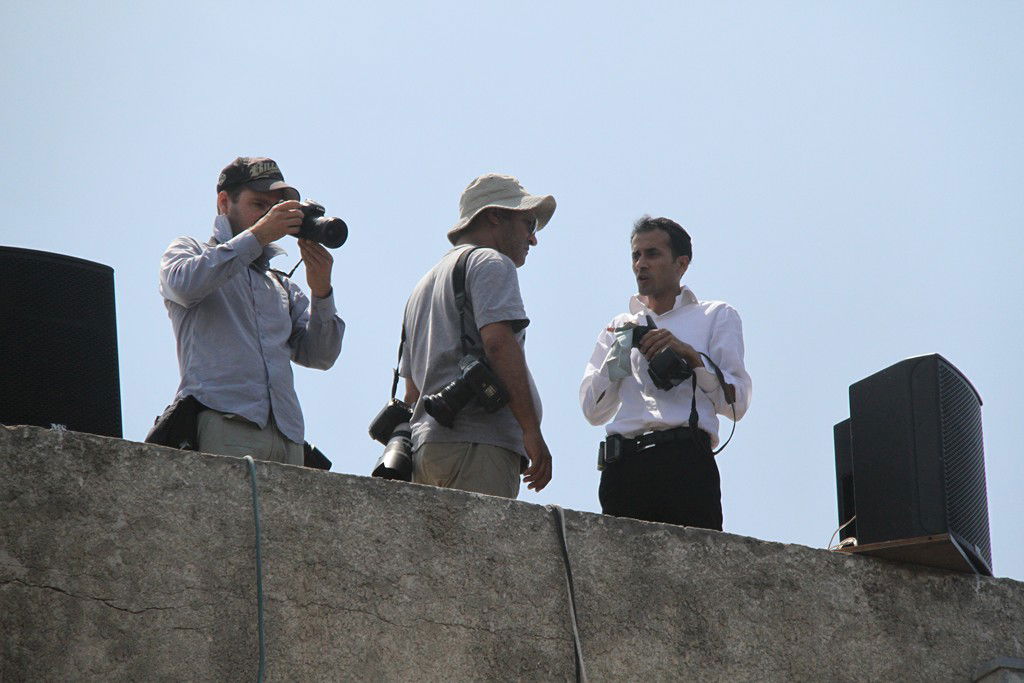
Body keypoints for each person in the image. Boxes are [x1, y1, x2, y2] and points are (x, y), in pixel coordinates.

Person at [158, 156, 344, 464]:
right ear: (224, 202)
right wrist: (258, 235)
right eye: (259, 205)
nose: (269, 215)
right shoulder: (189, 251)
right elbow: (184, 284)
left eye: (275, 208)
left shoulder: (280, 285)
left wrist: (322, 291)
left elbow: (321, 355)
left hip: (288, 437)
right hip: (225, 421)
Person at [579, 216, 751, 530]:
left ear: (681, 264)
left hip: (685, 464)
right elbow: (593, 411)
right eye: (636, 255)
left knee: (695, 559)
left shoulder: (715, 315)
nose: (640, 264)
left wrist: (691, 356)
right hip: (623, 468)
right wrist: (622, 346)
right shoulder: (619, 326)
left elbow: (736, 405)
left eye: (652, 254)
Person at [399, 173, 556, 498]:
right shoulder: (491, 262)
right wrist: (531, 430)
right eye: (528, 224)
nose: (533, 239)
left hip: (427, 450)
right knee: (485, 534)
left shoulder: (422, 286)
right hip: (478, 445)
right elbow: (498, 344)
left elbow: (412, 391)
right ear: (495, 215)